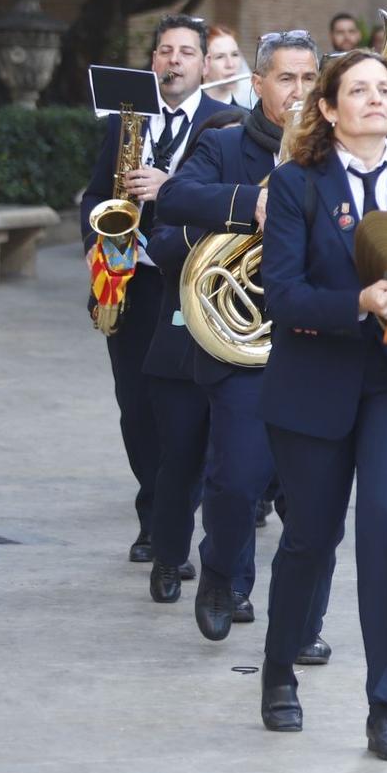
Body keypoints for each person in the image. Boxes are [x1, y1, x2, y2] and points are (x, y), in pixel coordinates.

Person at [254, 48, 387, 761]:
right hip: (315, 379)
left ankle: (385, 706)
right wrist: (356, 302)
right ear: (331, 108)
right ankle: (279, 671)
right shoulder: (296, 183)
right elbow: (280, 295)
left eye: (383, 89)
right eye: (358, 90)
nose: (375, 98)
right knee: (310, 536)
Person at [150, 30, 336, 659]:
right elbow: (172, 198)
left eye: (312, 80)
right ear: (258, 85)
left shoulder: (337, 155)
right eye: (288, 79)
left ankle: (304, 624)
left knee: (313, 501)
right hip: (240, 345)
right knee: (235, 482)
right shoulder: (226, 143)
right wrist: (251, 201)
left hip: (314, 343)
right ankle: (223, 576)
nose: (301, 93)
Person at [81, 13, 239, 562]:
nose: (174, 60)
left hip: (192, 283)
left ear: (203, 64)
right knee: (134, 404)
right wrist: (91, 243)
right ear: (153, 62)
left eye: (186, 52)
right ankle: (155, 511)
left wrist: (172, 186)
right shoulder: (125, 121)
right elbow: (93, 194)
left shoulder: (228, 123)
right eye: (165, 51)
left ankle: (172, 519)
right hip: (128, 278)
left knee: (186, 407)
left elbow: (234, 195)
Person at [140, 106, 244, 604]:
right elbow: (161, 246)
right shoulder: (185, 204)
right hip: (180, 350)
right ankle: (167, 558)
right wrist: (211, 238)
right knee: (179, 461)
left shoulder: (254, 205)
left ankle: (232, 581)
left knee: (232, 471)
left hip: (237, 350)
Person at [202, 25, 256, 108]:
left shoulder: (247, 118)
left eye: (235, 54)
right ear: (202, 63)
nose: (230, 64)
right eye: (219, 57)